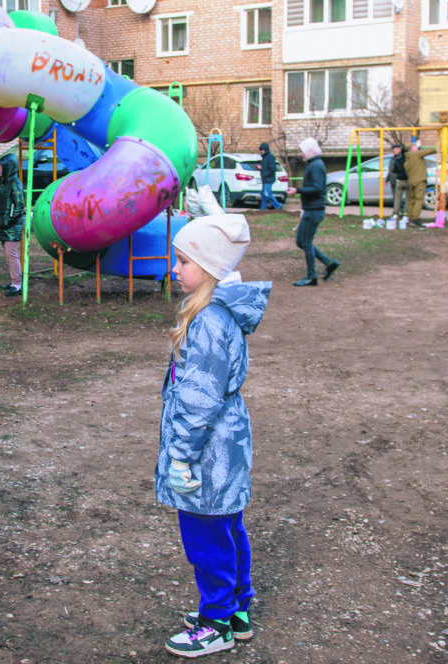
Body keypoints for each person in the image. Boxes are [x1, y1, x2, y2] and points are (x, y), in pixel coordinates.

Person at [159, 213, 271, 658]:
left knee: (206, 538)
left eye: (183, 261)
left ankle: (216, 622)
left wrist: (182, 457)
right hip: (228, 444)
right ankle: (237, 608)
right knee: (228, 526)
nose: (175, 269)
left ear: (208, 268)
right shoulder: (220, 313)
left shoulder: (208, 321)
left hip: (207, 451)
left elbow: (198, 400)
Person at [284, 138, 339, 287]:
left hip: (314, 211)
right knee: (301, 242)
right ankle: (329, 263)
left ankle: (311, 277)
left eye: (303, 151)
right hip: (310, 209)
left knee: (306, 243)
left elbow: (317, 188)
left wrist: (297, 190)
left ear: (309, 151)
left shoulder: (316, 166)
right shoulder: (313, 164)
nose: (301, 154)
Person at [0, 152, 26, 296]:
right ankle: (14, 281)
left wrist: (8, 221)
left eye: (1, 166)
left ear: (8, 167)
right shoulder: (6, 182)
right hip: (6, 227)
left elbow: (19, 206)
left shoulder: (14, 184)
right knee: (9, 255)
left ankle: (17, 285)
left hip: (11, 227)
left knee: (12, 255)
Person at [403, 138, 437, 227]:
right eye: (415, 147)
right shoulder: (416, 154)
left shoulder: (407, 159)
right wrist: (436, 148)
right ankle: (415, 219)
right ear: (412, 149)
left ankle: (410, 217)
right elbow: (429, 151)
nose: (417, 148)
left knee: (412, 200)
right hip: (420, 181)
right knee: (419, 200)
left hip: (411, 181)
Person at [256, 142, 282, 210]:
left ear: (265, 150)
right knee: (263, 194)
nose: (261, 151)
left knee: (267, 194)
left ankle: (278, 205)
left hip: (268, 179)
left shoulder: (270, 157)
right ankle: (263, 208)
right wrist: (260, 168)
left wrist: (265, 174)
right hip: (265, 179)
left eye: (262, 150)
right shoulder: (264, 158)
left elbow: (272, 168)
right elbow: (265, 168)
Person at [387, 142, 408, 219]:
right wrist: (387, 179)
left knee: (399, 197)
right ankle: (397, 211)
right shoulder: (393, 158)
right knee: (395, 197)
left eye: (396, 149)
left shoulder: (402, 158)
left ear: (400, 149)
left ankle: (402, 211)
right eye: (394, 149)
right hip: (393, 180)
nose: (395, 151)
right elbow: (390, 170)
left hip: (400, 179)